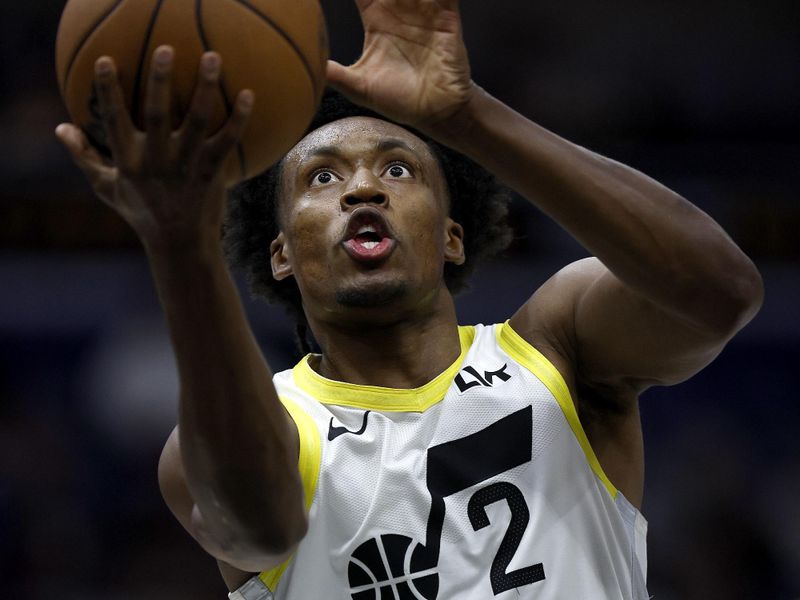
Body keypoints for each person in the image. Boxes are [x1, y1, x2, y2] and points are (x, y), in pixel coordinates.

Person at [55, 1, 763, 599]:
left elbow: (719, 293)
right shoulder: (264, 429)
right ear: (280, 253)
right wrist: (182, 247)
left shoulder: (558, 347)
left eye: (399, 168)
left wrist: (466, 118)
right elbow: (258, 528)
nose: (364, 189)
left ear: (452, 236)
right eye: (322, 179)